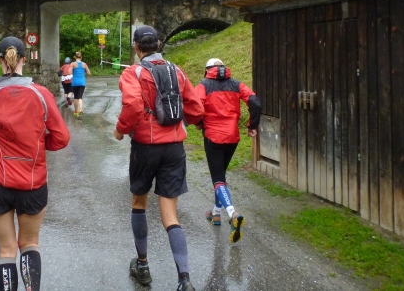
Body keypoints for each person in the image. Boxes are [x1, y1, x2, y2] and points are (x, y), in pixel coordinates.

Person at [0, 36, 70, 291]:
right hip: (32, 183)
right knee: (30, 243)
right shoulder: (41, 94)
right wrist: (37, 144)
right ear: (25, 60)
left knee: (6, 250)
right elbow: (61, 137)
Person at [112, 26, 204, 291]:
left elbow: (132, 105)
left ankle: (142, 266)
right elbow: (195, 107)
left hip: (145, 147)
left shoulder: (133, 72)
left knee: (139, 203)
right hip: (174, 148)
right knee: (170, 215)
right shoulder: (177, 71)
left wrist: (120, 129)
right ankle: (184, 279)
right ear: (159, 45)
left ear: (136, 47)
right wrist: (191, 123)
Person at [194, 58, 261, 244]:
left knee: (217, 179)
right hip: (232, 137)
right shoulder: (236, 84)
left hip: (213, 137)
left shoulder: (203, 84)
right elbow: (255, 102)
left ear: (207, 70)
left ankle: (232, 213)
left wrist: (199, 123)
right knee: (221, 176)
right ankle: (216, 213)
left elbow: (195, 105)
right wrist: (252, 125)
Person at [70, 51, 91, 119]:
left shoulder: (73, 64)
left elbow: (69, 72)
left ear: (75, 57)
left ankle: (76, 111)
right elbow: (89, 73)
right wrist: (84, 70)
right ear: (81, 57)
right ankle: (81, 110)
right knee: (80, 97)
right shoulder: (84, 64)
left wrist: (72, 69)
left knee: (76, 97)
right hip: (82, 83)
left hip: (75, 83)